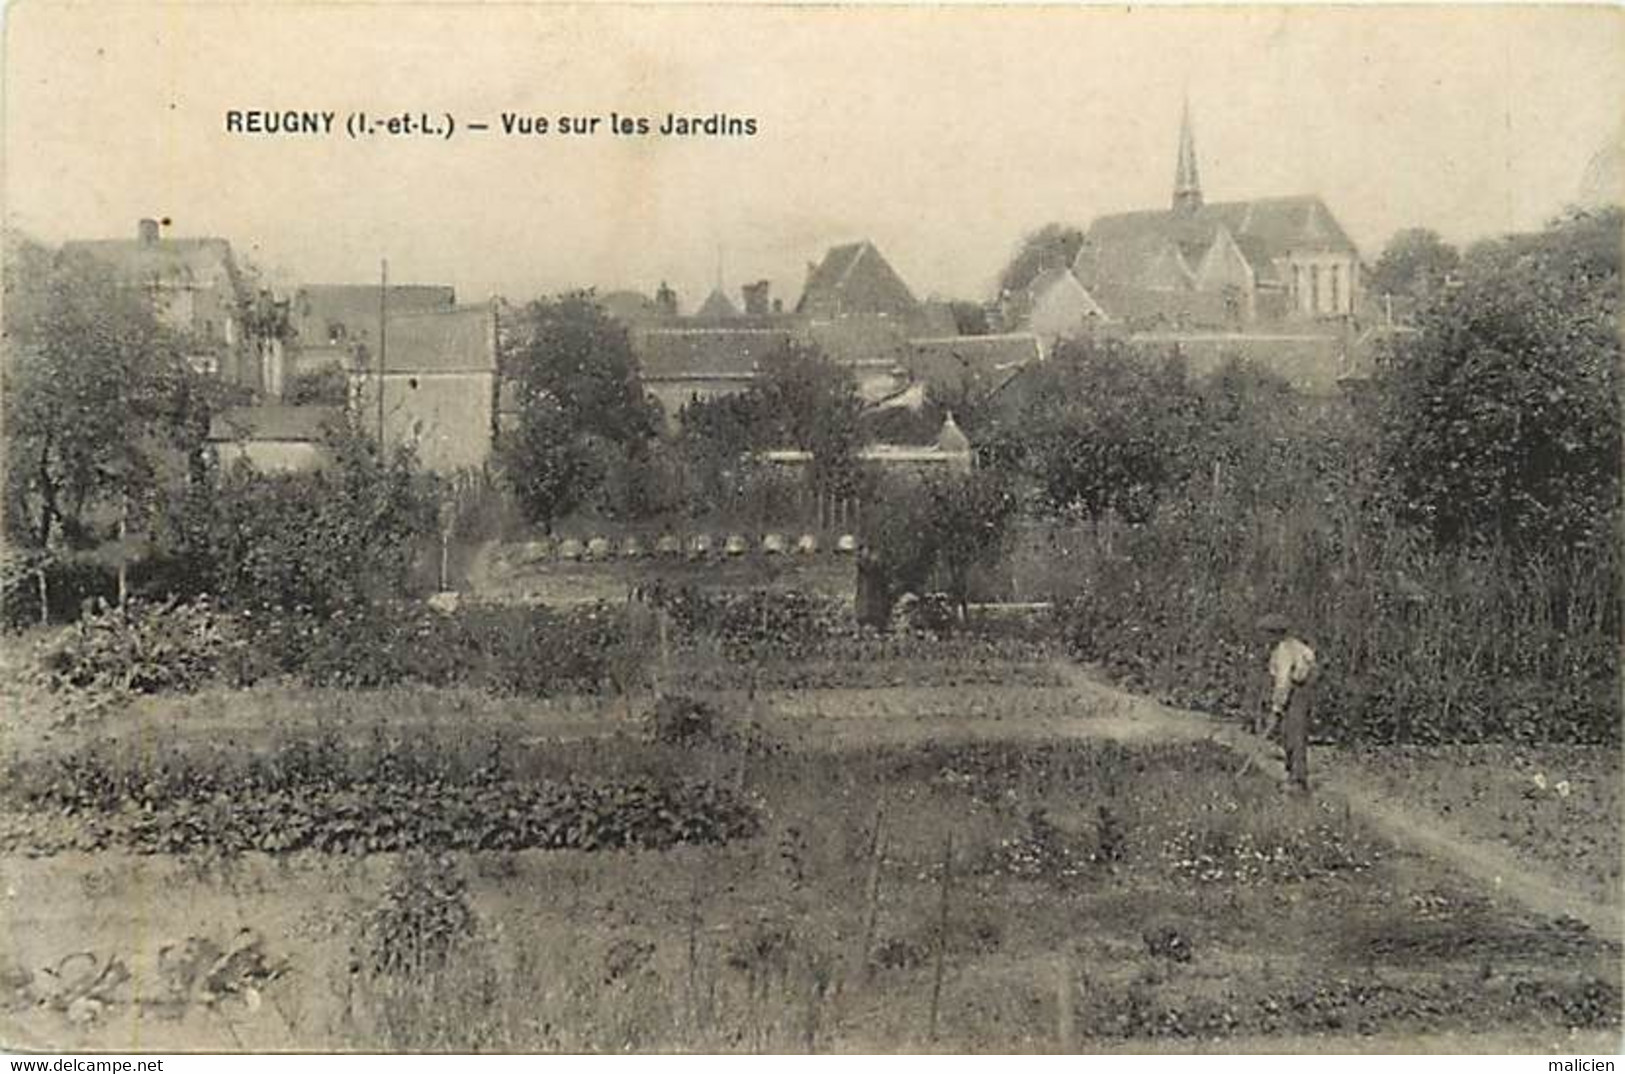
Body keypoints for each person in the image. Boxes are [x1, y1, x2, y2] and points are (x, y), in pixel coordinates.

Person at [1256, 613, 1317, 792]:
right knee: (1287, 734)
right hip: (1301, 690)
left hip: (1297, 692)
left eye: (1265, 634)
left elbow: (1283, 683)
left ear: (1274, 633)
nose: (1263, 639)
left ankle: (1297, 779)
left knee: (1294, 735)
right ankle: (1292, 773)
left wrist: (1276, 708)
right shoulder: (1292, 646)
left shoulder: (1284, 650)